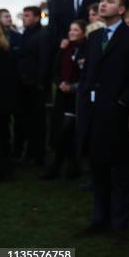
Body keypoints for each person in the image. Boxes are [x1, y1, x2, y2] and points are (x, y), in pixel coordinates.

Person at [79, 0, 129, 241]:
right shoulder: (94, 37)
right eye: (102, 0)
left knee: (119, 174)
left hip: (117, 116)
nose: (102, 4)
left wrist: (121, 102)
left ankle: (119, 226)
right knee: (98, 171)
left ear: (121, 9)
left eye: (109, 1)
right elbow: (87, 75)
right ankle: (100, 219)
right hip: (94, 115)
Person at [40, 20, 87, 179]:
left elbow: (86, 75)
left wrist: (72, 86)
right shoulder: (65, 48)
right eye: (70, 29)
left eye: (76, 29)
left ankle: (60, 167)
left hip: (77, 98)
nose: (71, 32)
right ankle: (68, 167)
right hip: (62, 96)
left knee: (67, 133)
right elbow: (55, 70)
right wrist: (60, 83)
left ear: (83, 32)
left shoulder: (86, 49)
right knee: (62, 133)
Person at [17, 6, 48, 166]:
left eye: (27, 15)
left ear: (37, 17)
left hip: (35, 86)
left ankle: (38, 156)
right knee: (27, 122)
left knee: (38, 123)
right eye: (24, 15)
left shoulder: (42, 35)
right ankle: (30, 153)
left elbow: (43, 61)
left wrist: (40, 83)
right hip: (24, 85)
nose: (24, 18)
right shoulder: (26, 33)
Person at [0, 23, 17, 180]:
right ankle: (6, 169)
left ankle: (4, 170)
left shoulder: (3, 52)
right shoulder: (6, 50)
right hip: (4, 102)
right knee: (4, 136)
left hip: (2, 101)